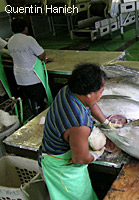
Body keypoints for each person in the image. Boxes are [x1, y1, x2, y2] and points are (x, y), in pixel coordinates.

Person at [38, 63, 120, 200]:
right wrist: (97, 153)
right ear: (88, 94)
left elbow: (92, 104)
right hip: (62, 170)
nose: (101, 95)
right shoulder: (79, 126)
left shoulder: (68, 90)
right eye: (100, 92)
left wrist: (106, 123)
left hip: (49, 150)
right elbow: (80, 159)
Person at [7, 18, 48, 116]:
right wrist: (43, 58)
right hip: (32, 77)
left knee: (29, 98)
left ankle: (34, 112)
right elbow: (41, 54)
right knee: (39, 99)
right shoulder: (29, 39)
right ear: (25, 28)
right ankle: (40, 116)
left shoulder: (10, 41)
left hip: (19, 77)